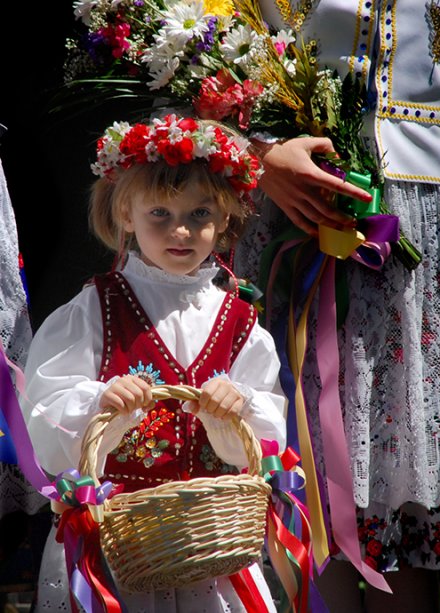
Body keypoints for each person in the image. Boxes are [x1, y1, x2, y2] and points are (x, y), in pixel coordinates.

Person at [232, 1, 440, 611]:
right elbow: (176, 59)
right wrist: (255, 154)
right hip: (290, 212)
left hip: (426, 229)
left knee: (406, 499)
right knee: (298, 484)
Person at [21, 113, 288, 613]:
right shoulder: (92, 311)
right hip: (118, 548)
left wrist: (239, 408)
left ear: (226, 217)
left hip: (214, 544)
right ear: (125, 213)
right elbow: (45, 413)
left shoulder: (241, 321)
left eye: (200, 213)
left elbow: (268, 435)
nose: (181, 230)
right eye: (160, 214)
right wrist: (101, 402)